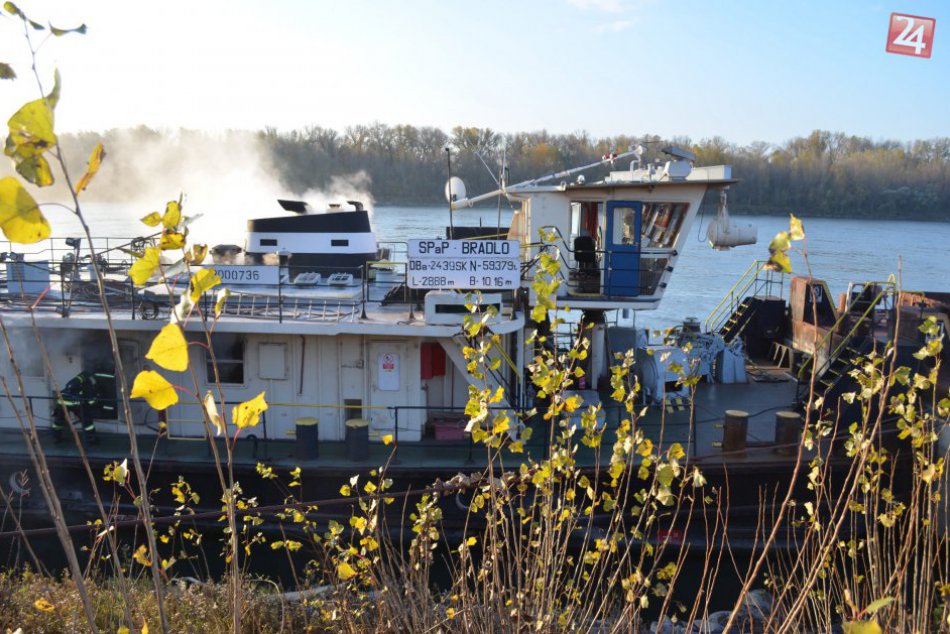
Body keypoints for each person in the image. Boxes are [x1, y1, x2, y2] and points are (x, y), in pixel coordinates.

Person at [52, 370, 98, 442]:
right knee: (87, 421)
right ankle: (92, 439)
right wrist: (95, 401)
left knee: (59, 421)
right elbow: (91, 401)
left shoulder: (75, 380)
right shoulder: (87, 383)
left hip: (61, 402)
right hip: (75, 403)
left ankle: (56, 437)